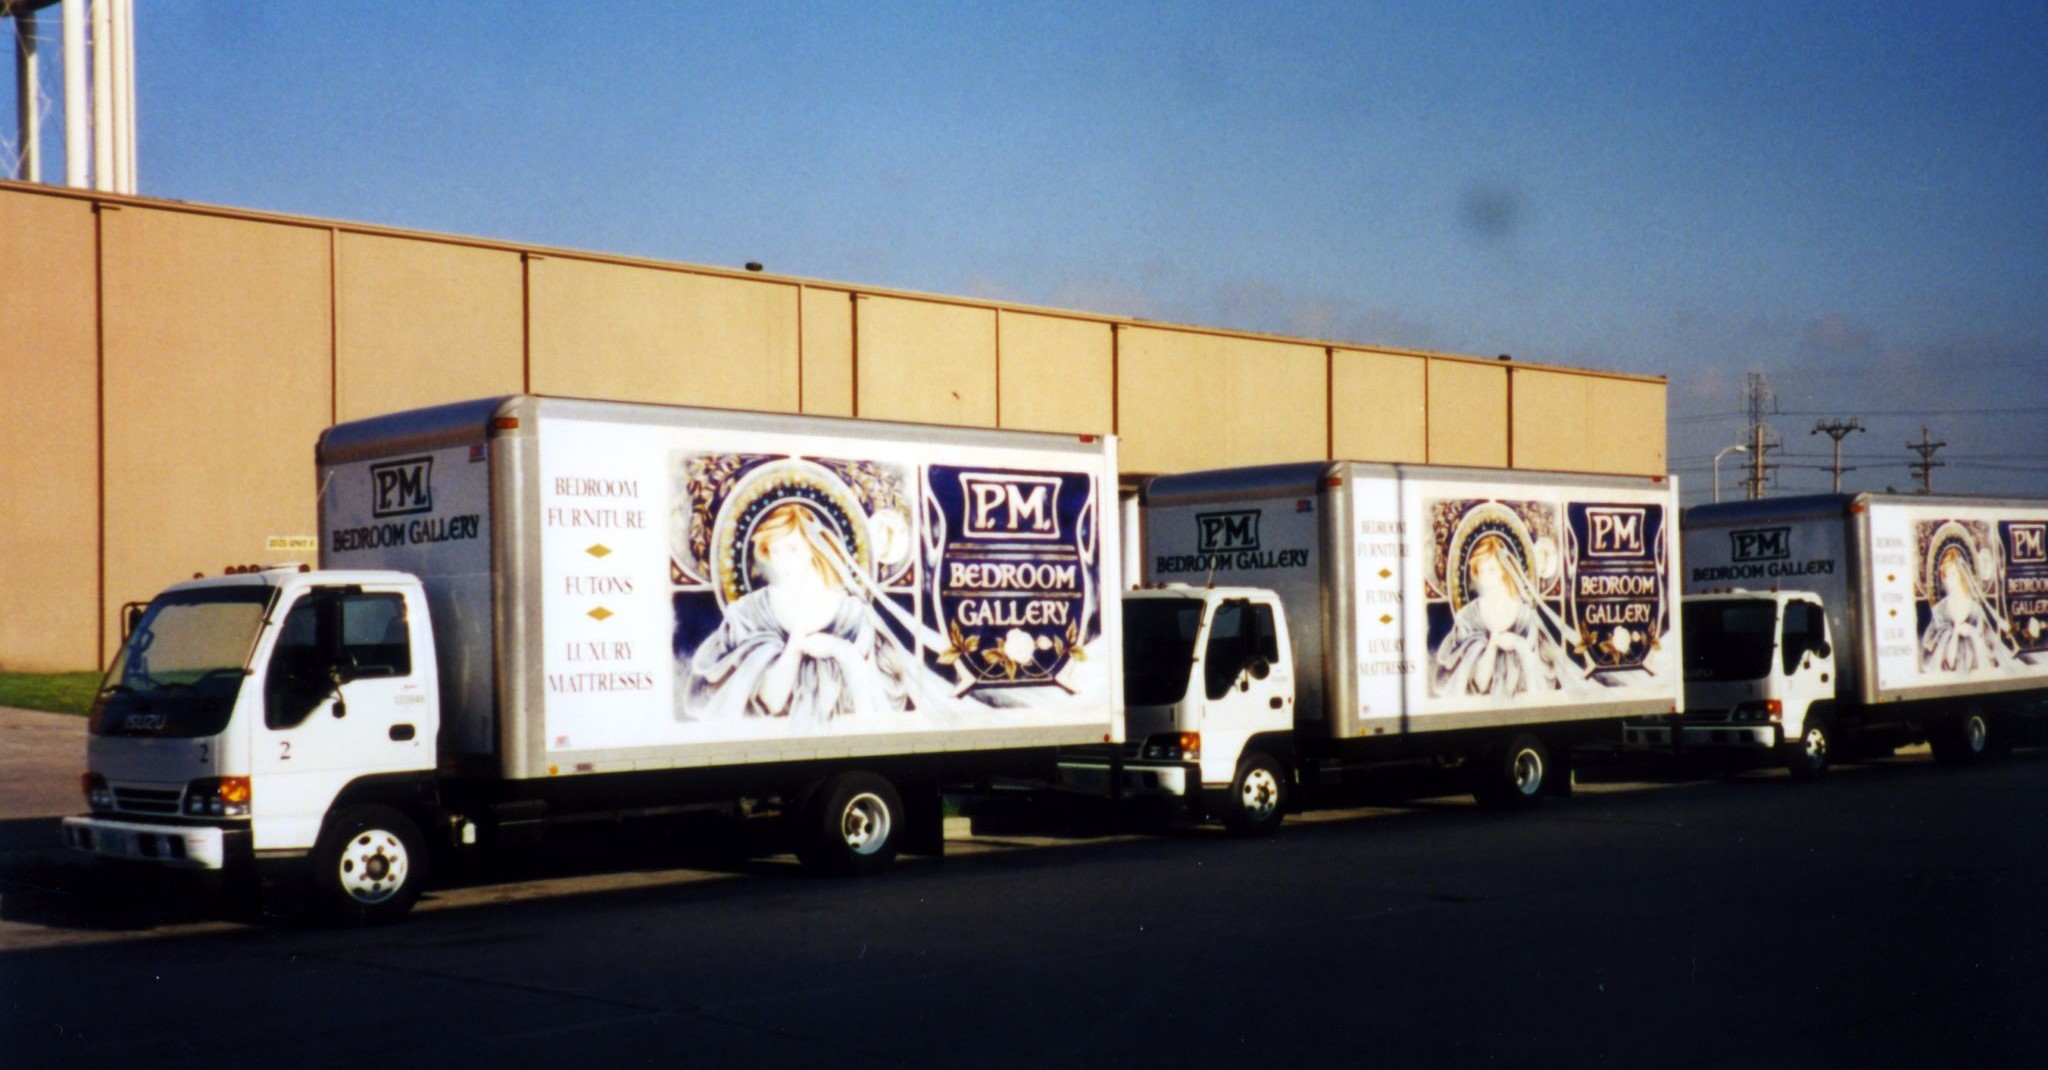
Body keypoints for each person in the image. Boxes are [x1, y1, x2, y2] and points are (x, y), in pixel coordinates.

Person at [683, 502, 915, 724]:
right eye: (775, 550)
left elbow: (871, 711)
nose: (782, 561)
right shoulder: (748, 613)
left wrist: (840, 651)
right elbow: (771, 703)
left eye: (793, 549)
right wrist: (796, 642)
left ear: (811, 550)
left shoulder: (853, 615)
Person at [1433, 534, 1564, 698]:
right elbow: (1479, 685)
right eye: (1480, 570)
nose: (1486, 578)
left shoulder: (1525, 617)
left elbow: (1539, 683)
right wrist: (1493, 643)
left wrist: (1518, 644)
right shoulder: (1467, 617)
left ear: (1503, 570)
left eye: (1492, 569)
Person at [1921, 545, 2005, 673]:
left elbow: (1989, 653)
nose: (1950, 581)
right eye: (1946, 576)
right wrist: (1954, 633)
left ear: (1962, 575)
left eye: (1954, 574)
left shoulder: (1975, 610)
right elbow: (1933, 653)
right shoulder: (1939, 611)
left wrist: (1971, 632)